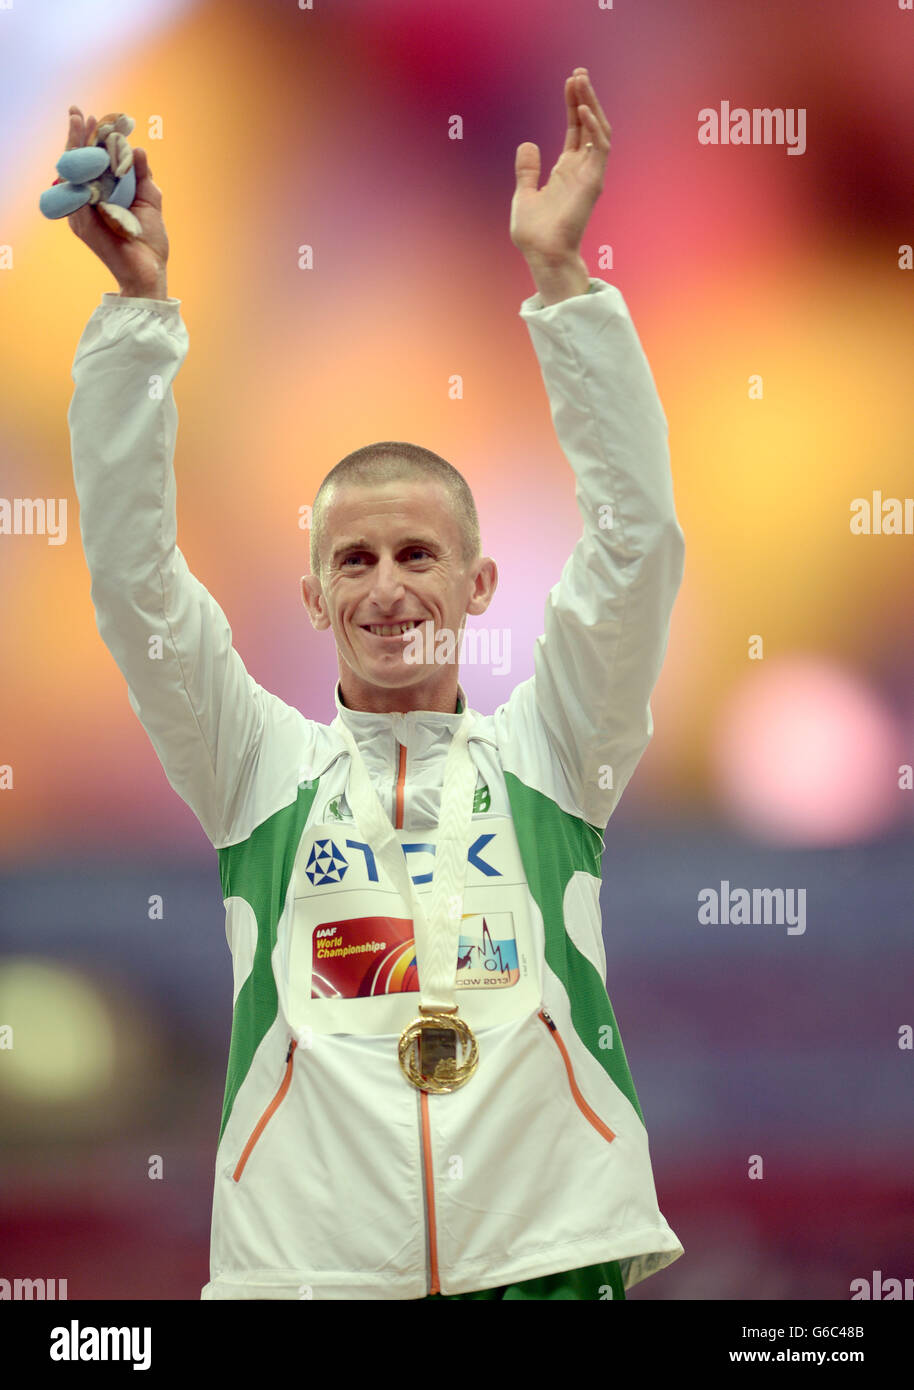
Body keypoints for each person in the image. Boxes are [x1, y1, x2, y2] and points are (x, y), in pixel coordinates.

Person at [66, 68, 686, 1301]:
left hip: (546, 1262)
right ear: (311, 596)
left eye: (419, 556)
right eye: (353, 558)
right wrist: (138, 311)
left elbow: (635, 545)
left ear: (478, 585)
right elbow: (136, 579)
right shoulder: (254, 771)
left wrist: (564, 288)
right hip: (307, 1274)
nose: (388, 586)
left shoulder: (554, 756)